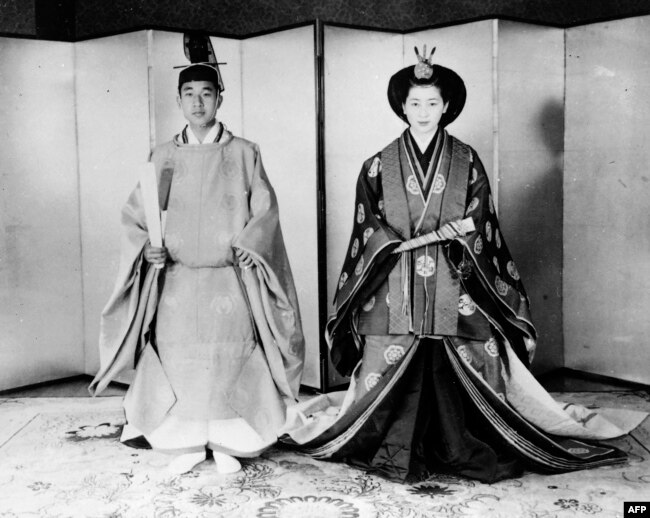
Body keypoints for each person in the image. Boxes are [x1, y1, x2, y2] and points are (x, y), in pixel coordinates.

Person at [280, 47, 647, 483]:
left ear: (447, 106)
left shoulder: (465, 159)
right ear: (401, 106)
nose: (423, 112)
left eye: (432, 103)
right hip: (396, 281)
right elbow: (367, 227)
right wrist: (391, 245)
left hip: (454, 277)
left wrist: (453, 239)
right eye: (414, 103)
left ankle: (458, 445)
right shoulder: (378, 165)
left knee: (478, 352)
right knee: (384, 358)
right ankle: (390, 444)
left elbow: (481, 220)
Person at [89, 34, 305, 475]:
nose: (198, 102)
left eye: (207, 93)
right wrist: (147, 248)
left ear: (219, 98)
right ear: (179, 100)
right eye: (189, 94)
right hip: (178, 278)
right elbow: (138, 212)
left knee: (231, 359)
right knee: (179, 359)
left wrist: (251, 245)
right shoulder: (165, 154)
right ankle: (183, 442)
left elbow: (265, 210)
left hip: (230, 278)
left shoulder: (245, 153)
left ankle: (231, 441)